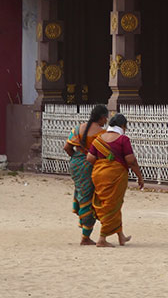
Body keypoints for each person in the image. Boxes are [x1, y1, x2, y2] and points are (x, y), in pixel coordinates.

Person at [86, 112, 144, 247]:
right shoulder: (123, 140)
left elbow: (89, 158)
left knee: (113, 204)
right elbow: (131, 160)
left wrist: (103, 165)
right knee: (112, 205)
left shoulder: (99, 139)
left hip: (99, 175)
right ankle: (102, 239)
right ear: (122, 126)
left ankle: (120, 236)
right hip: (116, 176)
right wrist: (139, 177)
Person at [63, 103, 109, 244]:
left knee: (82, 194)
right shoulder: (101, 134)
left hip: (76, 163)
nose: (106, 121)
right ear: (101, 118)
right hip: (90, 166)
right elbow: (104, 154)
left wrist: (77, 158)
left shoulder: (78, 128)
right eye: (105, 118)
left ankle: (85, 229)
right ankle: (85, 236)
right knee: (89, 199)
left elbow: (67, 147)